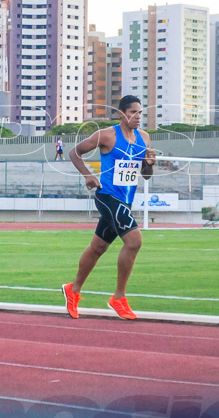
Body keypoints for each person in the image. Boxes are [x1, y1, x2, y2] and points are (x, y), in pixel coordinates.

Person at [62, 95, 154, 320]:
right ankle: (118, 297)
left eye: (140, 113)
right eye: (133, 112)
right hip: (107, 195)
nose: (138, 117)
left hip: (126, 200)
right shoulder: (106, 135)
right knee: (134, 241)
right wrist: (87, 175)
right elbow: (75, 152)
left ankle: (72, 290)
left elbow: (146, 175)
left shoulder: (144, 138)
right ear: (121, 114)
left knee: (97, 248)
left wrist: (149, 165)